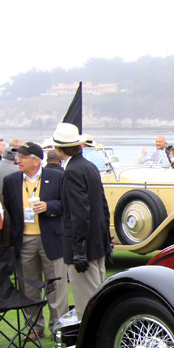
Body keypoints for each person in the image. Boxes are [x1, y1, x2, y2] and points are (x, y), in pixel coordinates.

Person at [3, 143, 67, 338]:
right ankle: (34, 328)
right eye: (18, 157)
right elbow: (8, 211)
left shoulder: (57, 177)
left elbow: (66, 203)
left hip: (52, 239)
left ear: (36, 160)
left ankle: (59, 327)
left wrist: (49, 206)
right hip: (24, 241)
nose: (18, 160)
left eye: (22, 157)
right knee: (29, 286)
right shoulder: (11, 180)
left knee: (56, 284)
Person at [52, 123, 111, 319]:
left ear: (59, 149)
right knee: (98, 297)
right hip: (96, 242)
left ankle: (94, 346)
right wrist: (106, 239)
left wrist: (78, 249)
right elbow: (102, 205)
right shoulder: (89, 166)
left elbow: (79, 212)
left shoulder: (73, 171)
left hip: (85, 246)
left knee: (87, 306)